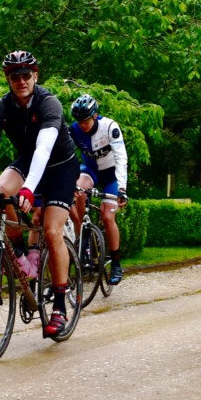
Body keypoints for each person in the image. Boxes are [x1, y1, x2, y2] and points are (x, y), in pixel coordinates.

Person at [0, 51, 80, 340]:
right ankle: (21, 255)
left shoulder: (49, 103)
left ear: (36, 76)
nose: (20, 81)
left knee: (52, 230)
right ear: (7, 79)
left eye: (26, 75)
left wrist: (29, 189)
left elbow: (45, 150)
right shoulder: (1, 107)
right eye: (14, 77)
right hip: (29, 160)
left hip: (59, 166)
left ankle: (60, 306)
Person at [68, 93, 128, 286]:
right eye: (79, 121)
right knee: (77, 188)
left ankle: (116, 262)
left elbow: (121, 158)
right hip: (91, 171)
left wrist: (122, 189)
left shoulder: (110, 127)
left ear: (95, 116)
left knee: (107, 216)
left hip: (111, 175)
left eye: (85, 120)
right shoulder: (74, 130)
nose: (82, 124)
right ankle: (83, 239)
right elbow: (67, 156)